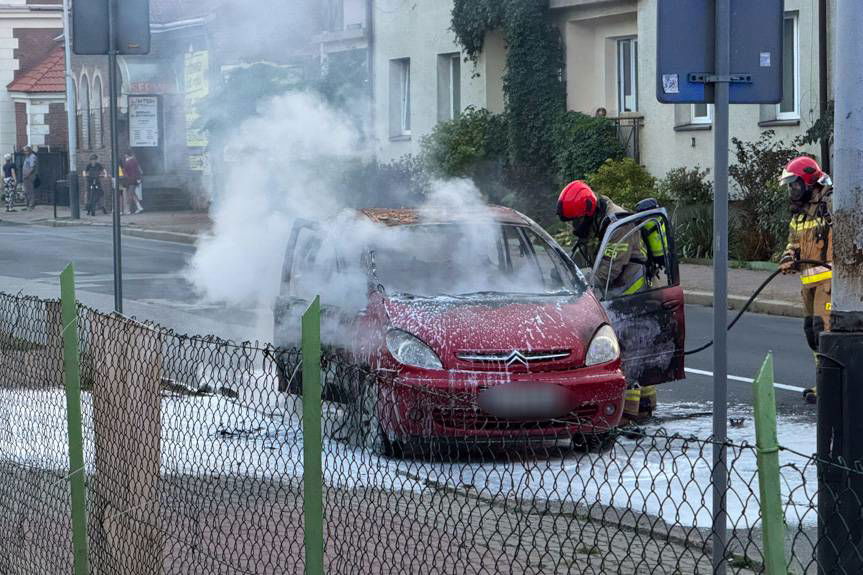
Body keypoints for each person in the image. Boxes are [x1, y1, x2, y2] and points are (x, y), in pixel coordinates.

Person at [557, 180, 657, 423]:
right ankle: (643, 408)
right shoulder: (599, 221)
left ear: (589, 211)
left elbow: (607, 271)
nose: (575, 226)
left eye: (577, 221)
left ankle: (629, 415)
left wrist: (582, 291)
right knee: (635, 353)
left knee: (628, 352)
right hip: (621, 294)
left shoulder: (618, 225)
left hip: (631, 295)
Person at [778, 156, 833, 404]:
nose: (792, 189)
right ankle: (823, 381)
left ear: (809, 181)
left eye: (795, 184)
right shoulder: (799, 215)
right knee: (812, 333)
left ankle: (833, 385)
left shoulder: (831, 206)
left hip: (831, 283)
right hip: (808, 285)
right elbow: (793, 244)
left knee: (826, 332)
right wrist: (788, 257)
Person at [21, 145, 38, 210]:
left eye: (26, 151)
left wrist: (27, 175)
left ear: (30, 151)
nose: (25, 152)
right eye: (24, 151)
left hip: (29, 176)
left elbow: (32, 167)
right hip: (25, 176)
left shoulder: (32, 157)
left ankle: (31, 205)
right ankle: (27, 204)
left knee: (30, 191)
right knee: (26, 191)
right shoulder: (27, 157)